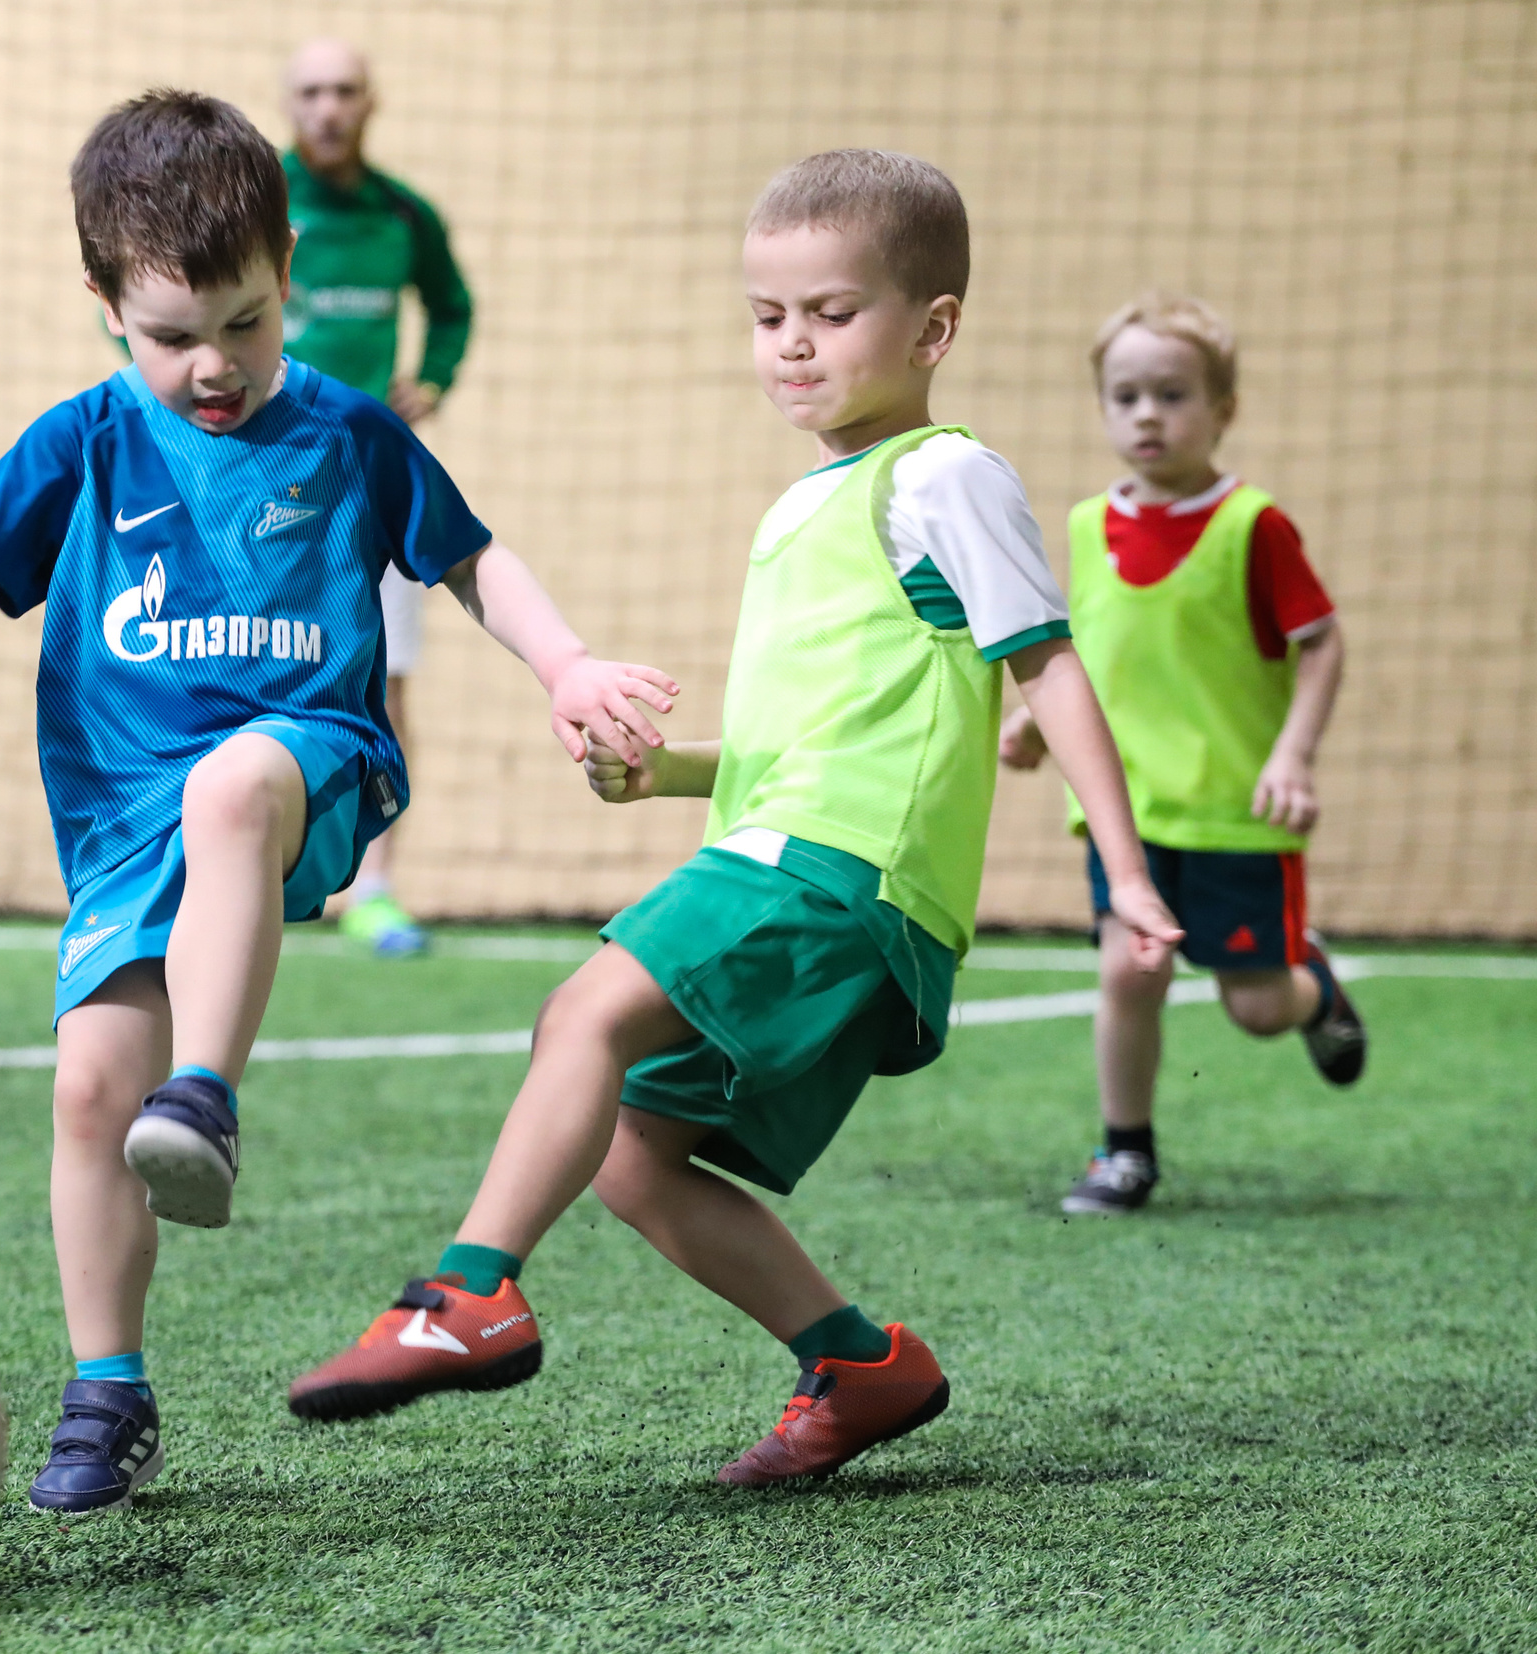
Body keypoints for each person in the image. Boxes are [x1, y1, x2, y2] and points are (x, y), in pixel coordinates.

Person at [0, 90, 674, 1516]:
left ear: (286, 272)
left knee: (235, 786)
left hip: (307, 754)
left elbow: (471, 559)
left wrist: (566, 661)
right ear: (105, 305)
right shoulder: (85, 439)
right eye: (172, 335)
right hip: (123, 811)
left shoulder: (348, 429)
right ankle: (109, 1392)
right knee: (91, 1092)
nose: (215, 365)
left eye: (248, 323)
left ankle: (204, 1094)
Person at [286, 151, 1184, 1486]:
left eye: (832, 312)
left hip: (842, 869)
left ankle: (468, 1293)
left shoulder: (942, 476)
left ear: (933, 328)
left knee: (582, 1011)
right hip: (789, 851)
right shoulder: (802, 505)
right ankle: (859, 1361)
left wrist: (1126, 872)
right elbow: (802, 741)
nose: (794, 346)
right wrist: (667, 773)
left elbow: (1046, 663)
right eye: (770, 318)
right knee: (637, 1161)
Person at [999, 292, 1367, 1217]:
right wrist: (1040, 724)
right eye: (1125, 397)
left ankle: (1312, 990)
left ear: (1223, 409)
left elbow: (1321, 641)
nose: (1147, 414)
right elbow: (1093, 649)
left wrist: (1293, 755)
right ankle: (1125, 1152)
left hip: (1235, 811)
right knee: (1132, 968)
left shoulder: (1255, 526)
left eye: (1172, 393)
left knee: (1253, 1009)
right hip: (1125, 810)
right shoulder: (1086, 526)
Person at [278, 36, 477, 957]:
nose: (328, 107)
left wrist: (430, 381)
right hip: (260, 482)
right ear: (289, 101)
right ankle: (256, 861)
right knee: (243, 663)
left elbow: (454, 305)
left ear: (371, 102)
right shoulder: (254, 198)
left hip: (375, 487)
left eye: (345, 91)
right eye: (312, 91)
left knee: (384, 683)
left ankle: (377, 886)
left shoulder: (406, 213)